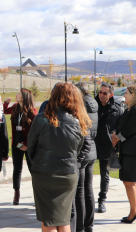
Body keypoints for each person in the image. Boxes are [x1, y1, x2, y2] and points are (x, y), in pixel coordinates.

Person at [27, 83, 90, 232]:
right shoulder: (79, 120)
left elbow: (31, 148)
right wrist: (74, 164)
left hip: (44, 173)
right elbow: (80, 149)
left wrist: (36, 167)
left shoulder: (41, 119)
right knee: (63, 219)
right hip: (68, 174)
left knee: (48, 221)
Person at [111, 86, 136, 224]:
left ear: (134, 95)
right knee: (130, 181)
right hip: (128, 150)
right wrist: (115, 134)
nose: (124, 95)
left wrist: (117, 138)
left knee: (129, 181)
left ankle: (134, 212)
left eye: (126, 93)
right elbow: (121, 126)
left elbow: (130, 130)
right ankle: (135, 209)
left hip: (134, 150)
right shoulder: (130, 110)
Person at [3, 88, 37, 205]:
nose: (16, 95)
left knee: (33, 169)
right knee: (17, 169)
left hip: (27, 144)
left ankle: (37, 194)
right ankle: (16, 193)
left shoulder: (33, 112)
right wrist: (6, 102)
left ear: (23, 97)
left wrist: (26, 145)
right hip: (16, 143)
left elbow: (34, 131)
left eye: (18, 94)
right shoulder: (15, 108)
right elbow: (4, 110)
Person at [94, 82, 123, 213]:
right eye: (100, 92)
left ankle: (102, 200)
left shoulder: (117, 109)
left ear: (111, 94)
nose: (101, 95)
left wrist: (116, 138)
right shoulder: (92, 106)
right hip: (91, 145)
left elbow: (121, 128)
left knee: (104, 175)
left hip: (107, 146)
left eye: (104, 93)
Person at [75, 83, 99, 232]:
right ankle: (89, 224)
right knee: (88, 189)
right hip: (92, 150)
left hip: (83, 152)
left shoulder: (81, 107)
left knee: (80, 190)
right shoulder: (94, 105)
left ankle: (80, 225)